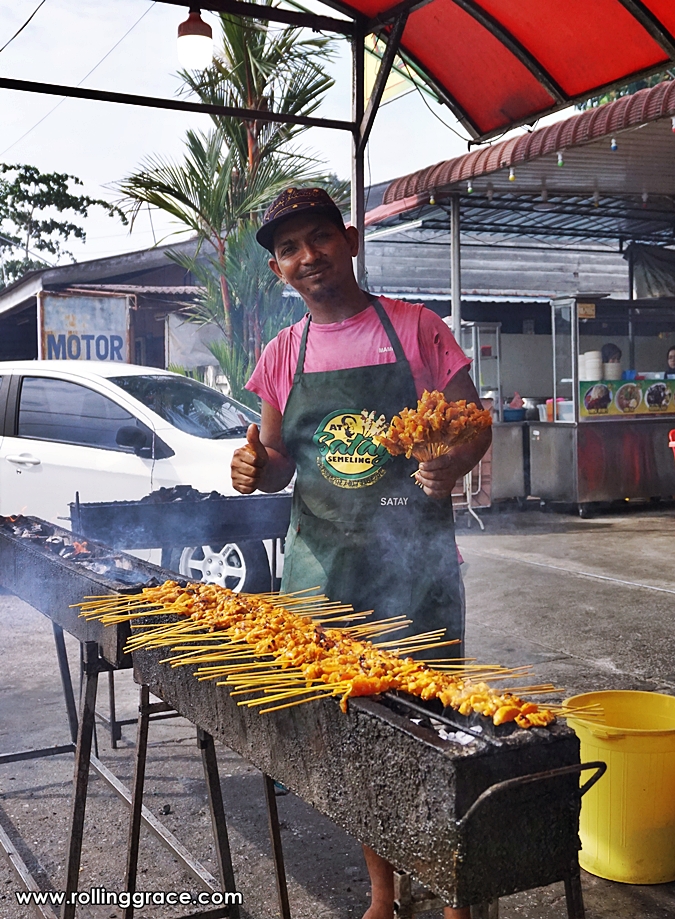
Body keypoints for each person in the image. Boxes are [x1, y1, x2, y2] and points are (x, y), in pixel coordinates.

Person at [230, 187, 492, 919]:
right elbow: (281, 457)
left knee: (438, 736)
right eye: (288, 249)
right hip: (324, 572)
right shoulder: (284, 352)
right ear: (279, 269)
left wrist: (451, 461)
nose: (306, 256)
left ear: (348, 241)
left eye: (318, 238)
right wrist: (256, 467)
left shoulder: (415, 328)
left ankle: (453, 890)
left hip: (419, 571)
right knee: (360, 742)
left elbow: (474, 422)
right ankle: (384, 890)